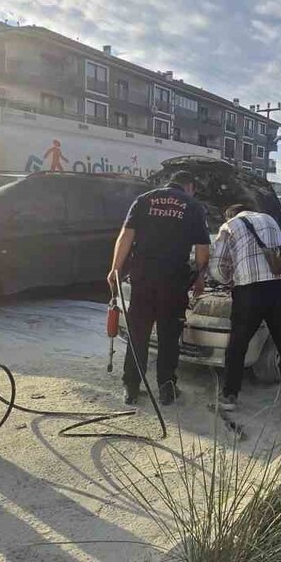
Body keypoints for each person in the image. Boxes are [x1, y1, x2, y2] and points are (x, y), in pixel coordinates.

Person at [108, 170, 211, 406]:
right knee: (168, 335)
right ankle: (166, 387)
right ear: (190, 187)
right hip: (173, 281)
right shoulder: (193, 205)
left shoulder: (143, 200)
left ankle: (131, 387)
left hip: (143, 278)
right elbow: (203, 248)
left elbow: (125, 236)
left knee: (138, 334)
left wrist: (115, 269)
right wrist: (200, 277)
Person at [209, 203, 281, 416]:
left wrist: (229, 280)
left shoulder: (229, 226)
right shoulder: (270, 220)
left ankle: (230, 396)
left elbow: (216, 267)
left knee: (238, 343)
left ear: (230, 215)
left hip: (250, 291)